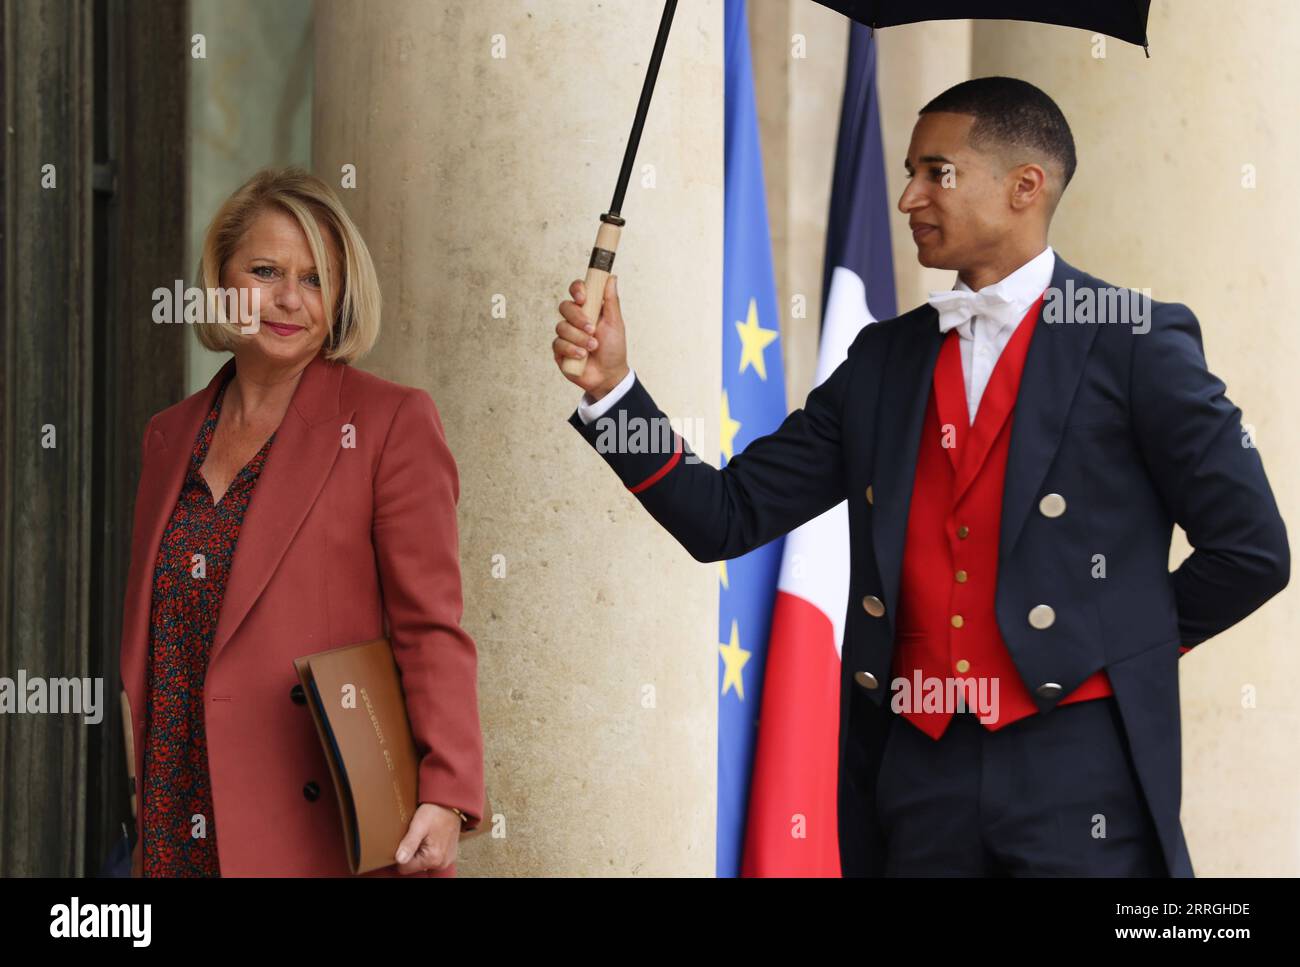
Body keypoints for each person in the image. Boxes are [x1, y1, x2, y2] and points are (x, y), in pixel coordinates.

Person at [551, 77, 1289, 876]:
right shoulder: (882, 360)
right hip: (915, 779)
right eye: (907, 172)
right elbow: (725, 515)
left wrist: (1115, 650)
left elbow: (1252, 550)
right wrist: (612, 391)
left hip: (1081, 779)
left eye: (937, 172)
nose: (908, 197)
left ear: (1024, 188)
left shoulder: (1134, 338)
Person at [120, 167, 484, 876]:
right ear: (222, 278)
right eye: (266, 270)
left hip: (309, 826)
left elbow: (430, 625)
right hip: (173, 811)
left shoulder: (389, 423)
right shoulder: (168, 436)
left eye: (316, 278)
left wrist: (447, 793)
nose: (290, 298)